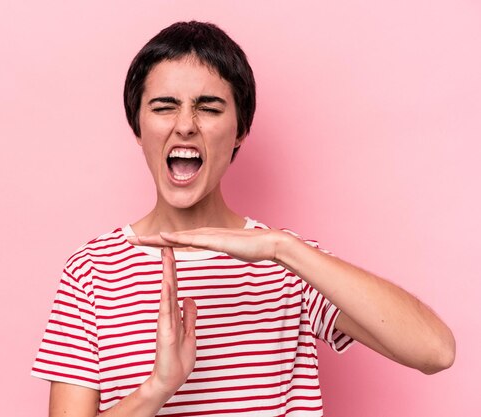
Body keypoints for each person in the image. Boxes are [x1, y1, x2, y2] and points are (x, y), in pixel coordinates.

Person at [31, 21, 455, 417]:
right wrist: (157, 388)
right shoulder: (91, 270)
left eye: (208, 108)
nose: (185, 126)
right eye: (164, 106)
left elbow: (434, 352)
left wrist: (280, 247)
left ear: (240, 130)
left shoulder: (289, 263)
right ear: (138, 127)